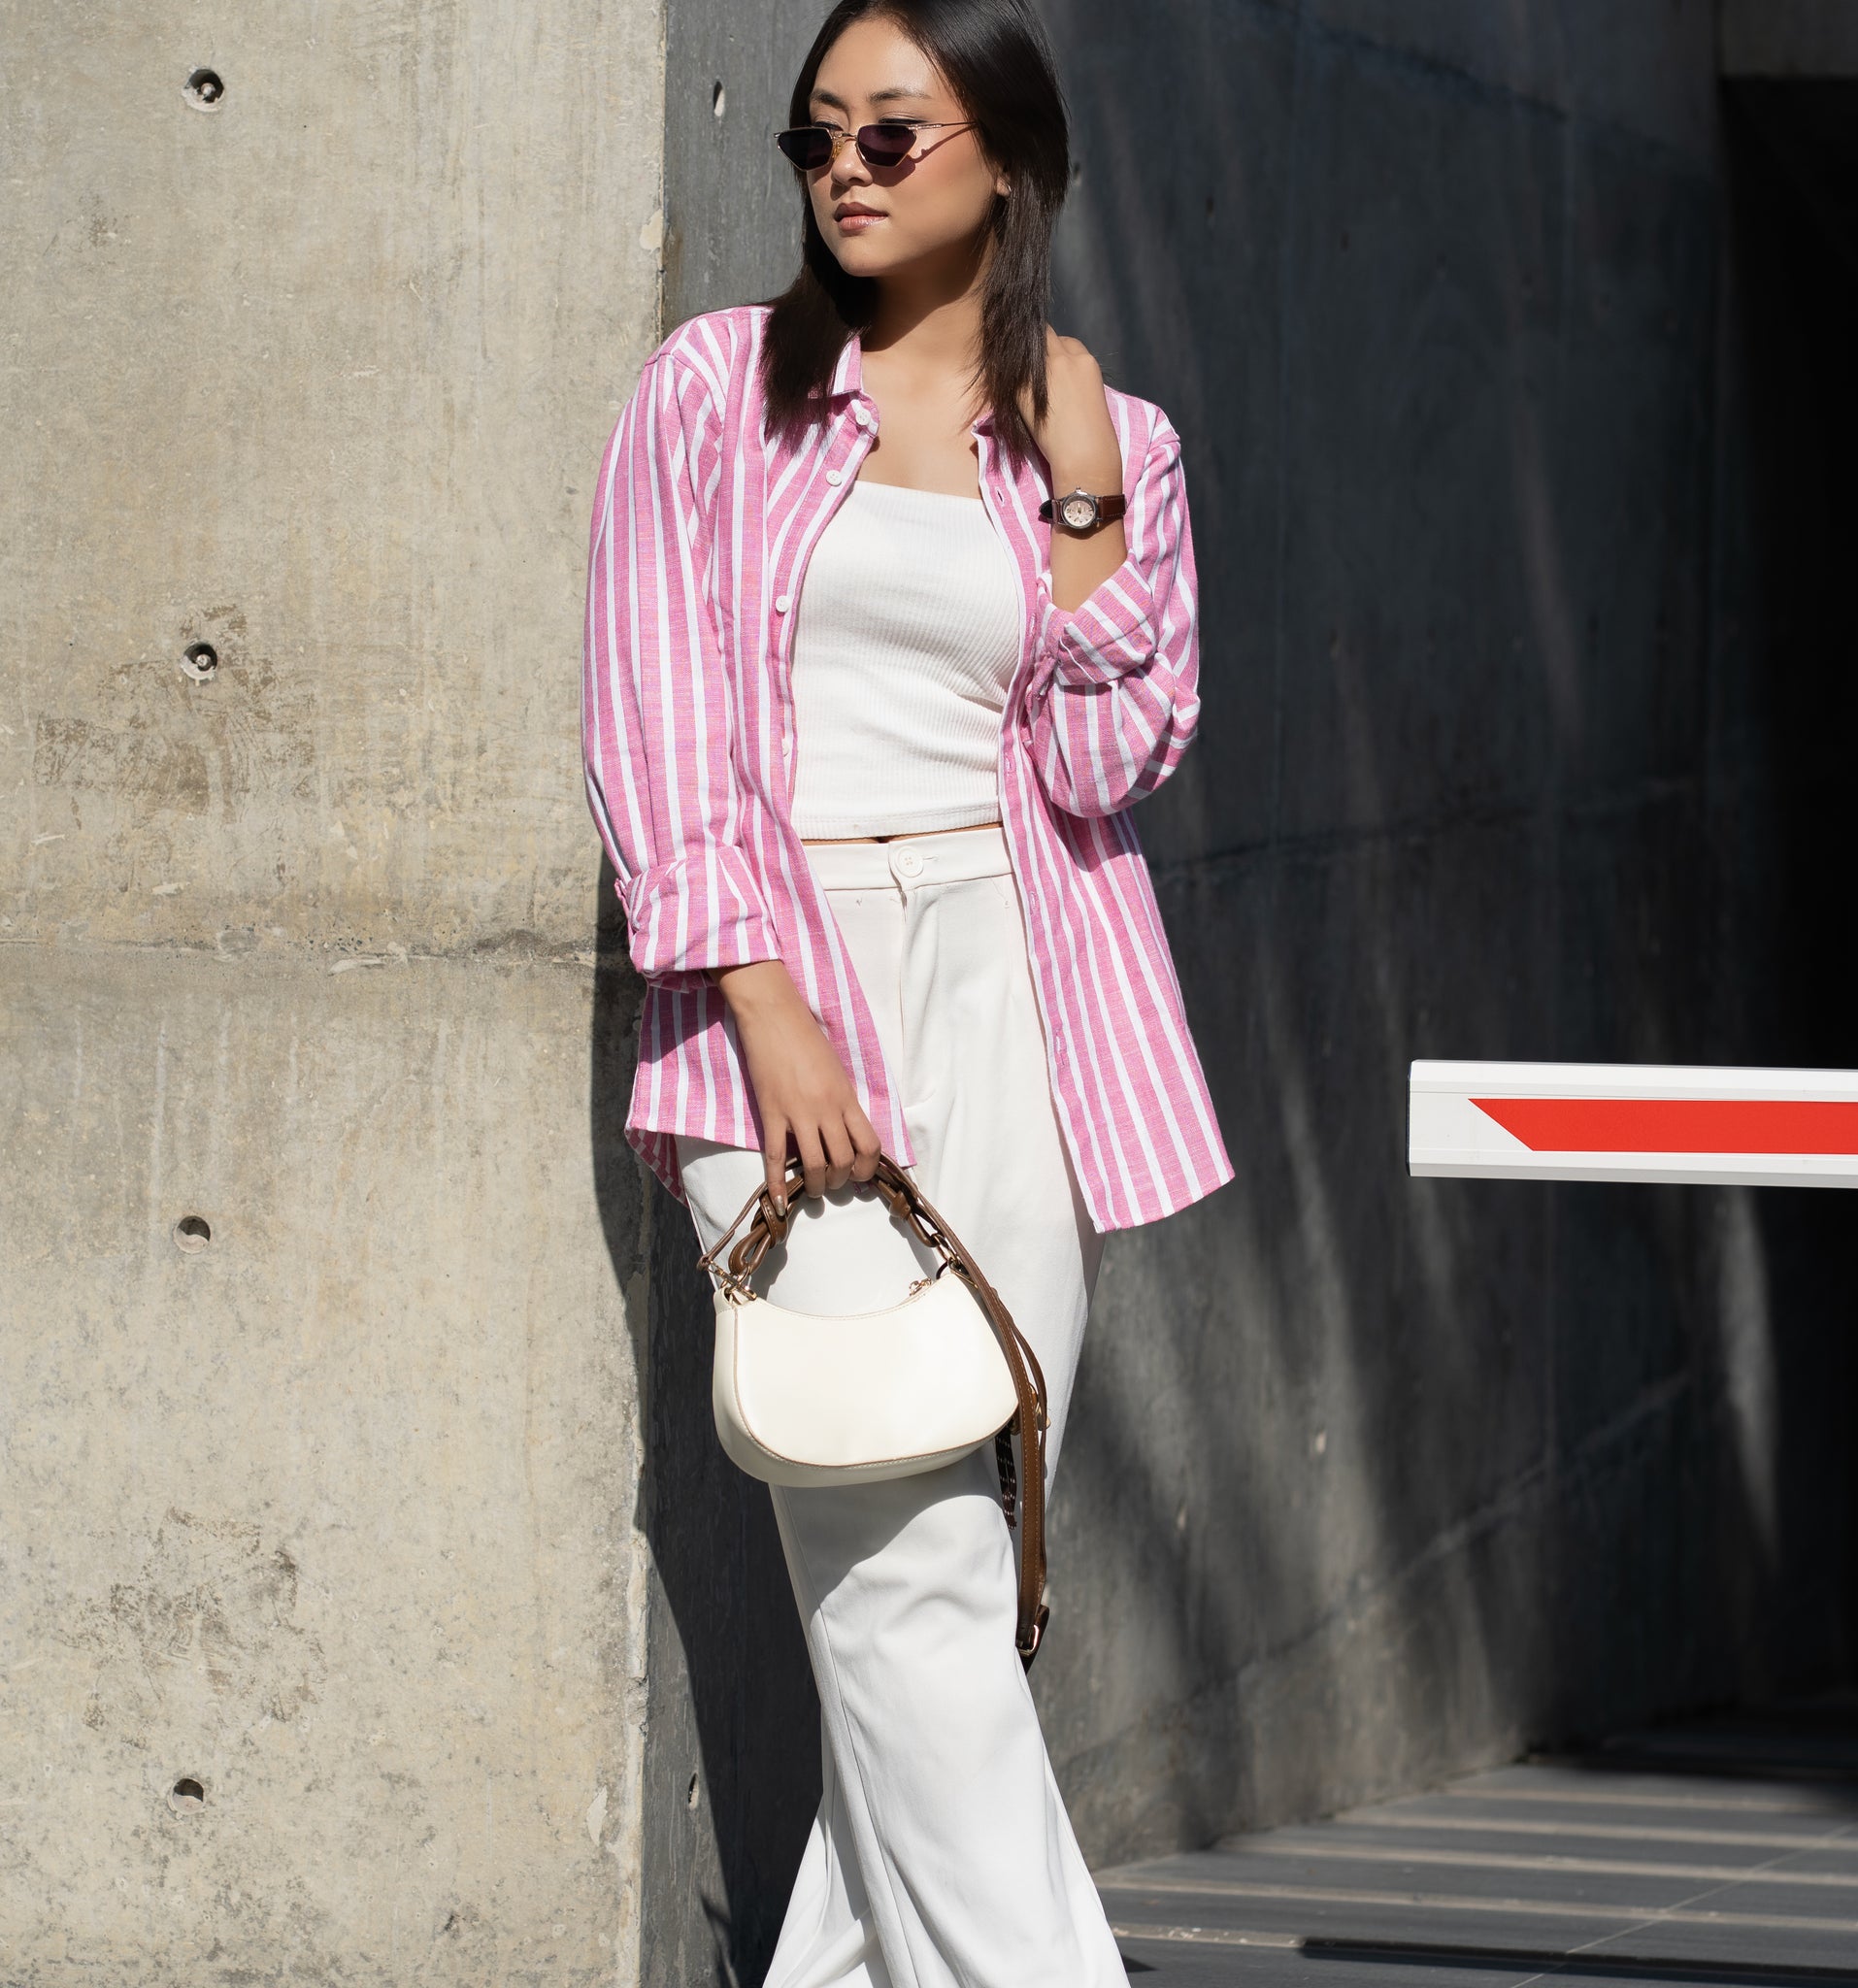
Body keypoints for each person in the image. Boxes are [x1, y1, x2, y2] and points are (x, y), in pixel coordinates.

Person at [581, 0, 1231, 1978]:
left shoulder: (1107, 441)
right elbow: (654, 700)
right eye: (815, 139)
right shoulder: (721, 391)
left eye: (889, 132)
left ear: (1005, 163)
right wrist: (767, 1002)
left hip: (1024, 1007)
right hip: (784, 1002)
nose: (841, 169)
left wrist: (1092, 481)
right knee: (901, 1567)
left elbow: (1117, 761)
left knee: (952, 1584)